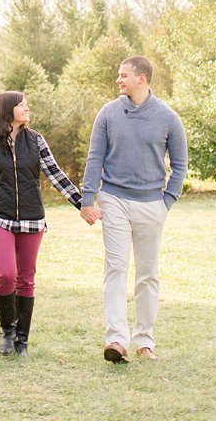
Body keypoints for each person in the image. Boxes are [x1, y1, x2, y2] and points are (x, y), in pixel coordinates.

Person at [80, 55, 188, 363]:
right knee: (115, 268)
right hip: (113, 199)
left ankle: (144, 341)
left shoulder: (168, 118)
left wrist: (167, 201)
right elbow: (94, 159)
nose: (118, 80)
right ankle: (116, 339)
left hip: (152, 203)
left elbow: (180, 165)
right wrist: (88, 199)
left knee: (147, 274)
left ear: (141, 78)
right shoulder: (108, 114)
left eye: (123, 75)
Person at [0, 90, 85, 356]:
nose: (27, 108)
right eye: (22, 105)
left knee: (25, 279)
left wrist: (82, 204)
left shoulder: (36, 141)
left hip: (31, 217)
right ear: (8, 109)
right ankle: (7, 330)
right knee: (6, 275)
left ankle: (22, 340)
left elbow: (56, 175)